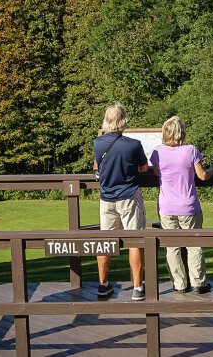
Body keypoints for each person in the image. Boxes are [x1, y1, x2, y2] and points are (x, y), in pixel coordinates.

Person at [149, 116, 213, 294]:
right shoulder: (191, 150)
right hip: (189, 205)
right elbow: (202, 176)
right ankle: (198, 283)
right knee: (194, 244)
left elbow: (157, 173)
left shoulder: (156, 152)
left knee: (172, 247)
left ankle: (179, 284)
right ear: (181, 132)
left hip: (166, 206)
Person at [93, 102, 149, 300]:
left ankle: (103, 285)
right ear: (122, 121)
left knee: (105, 242)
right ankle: (137, 289)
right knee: (135, 242)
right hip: (129, 196)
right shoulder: (133, 145)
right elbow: (143, 169)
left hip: (106, 198)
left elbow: (96, 166)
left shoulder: (97, 143)